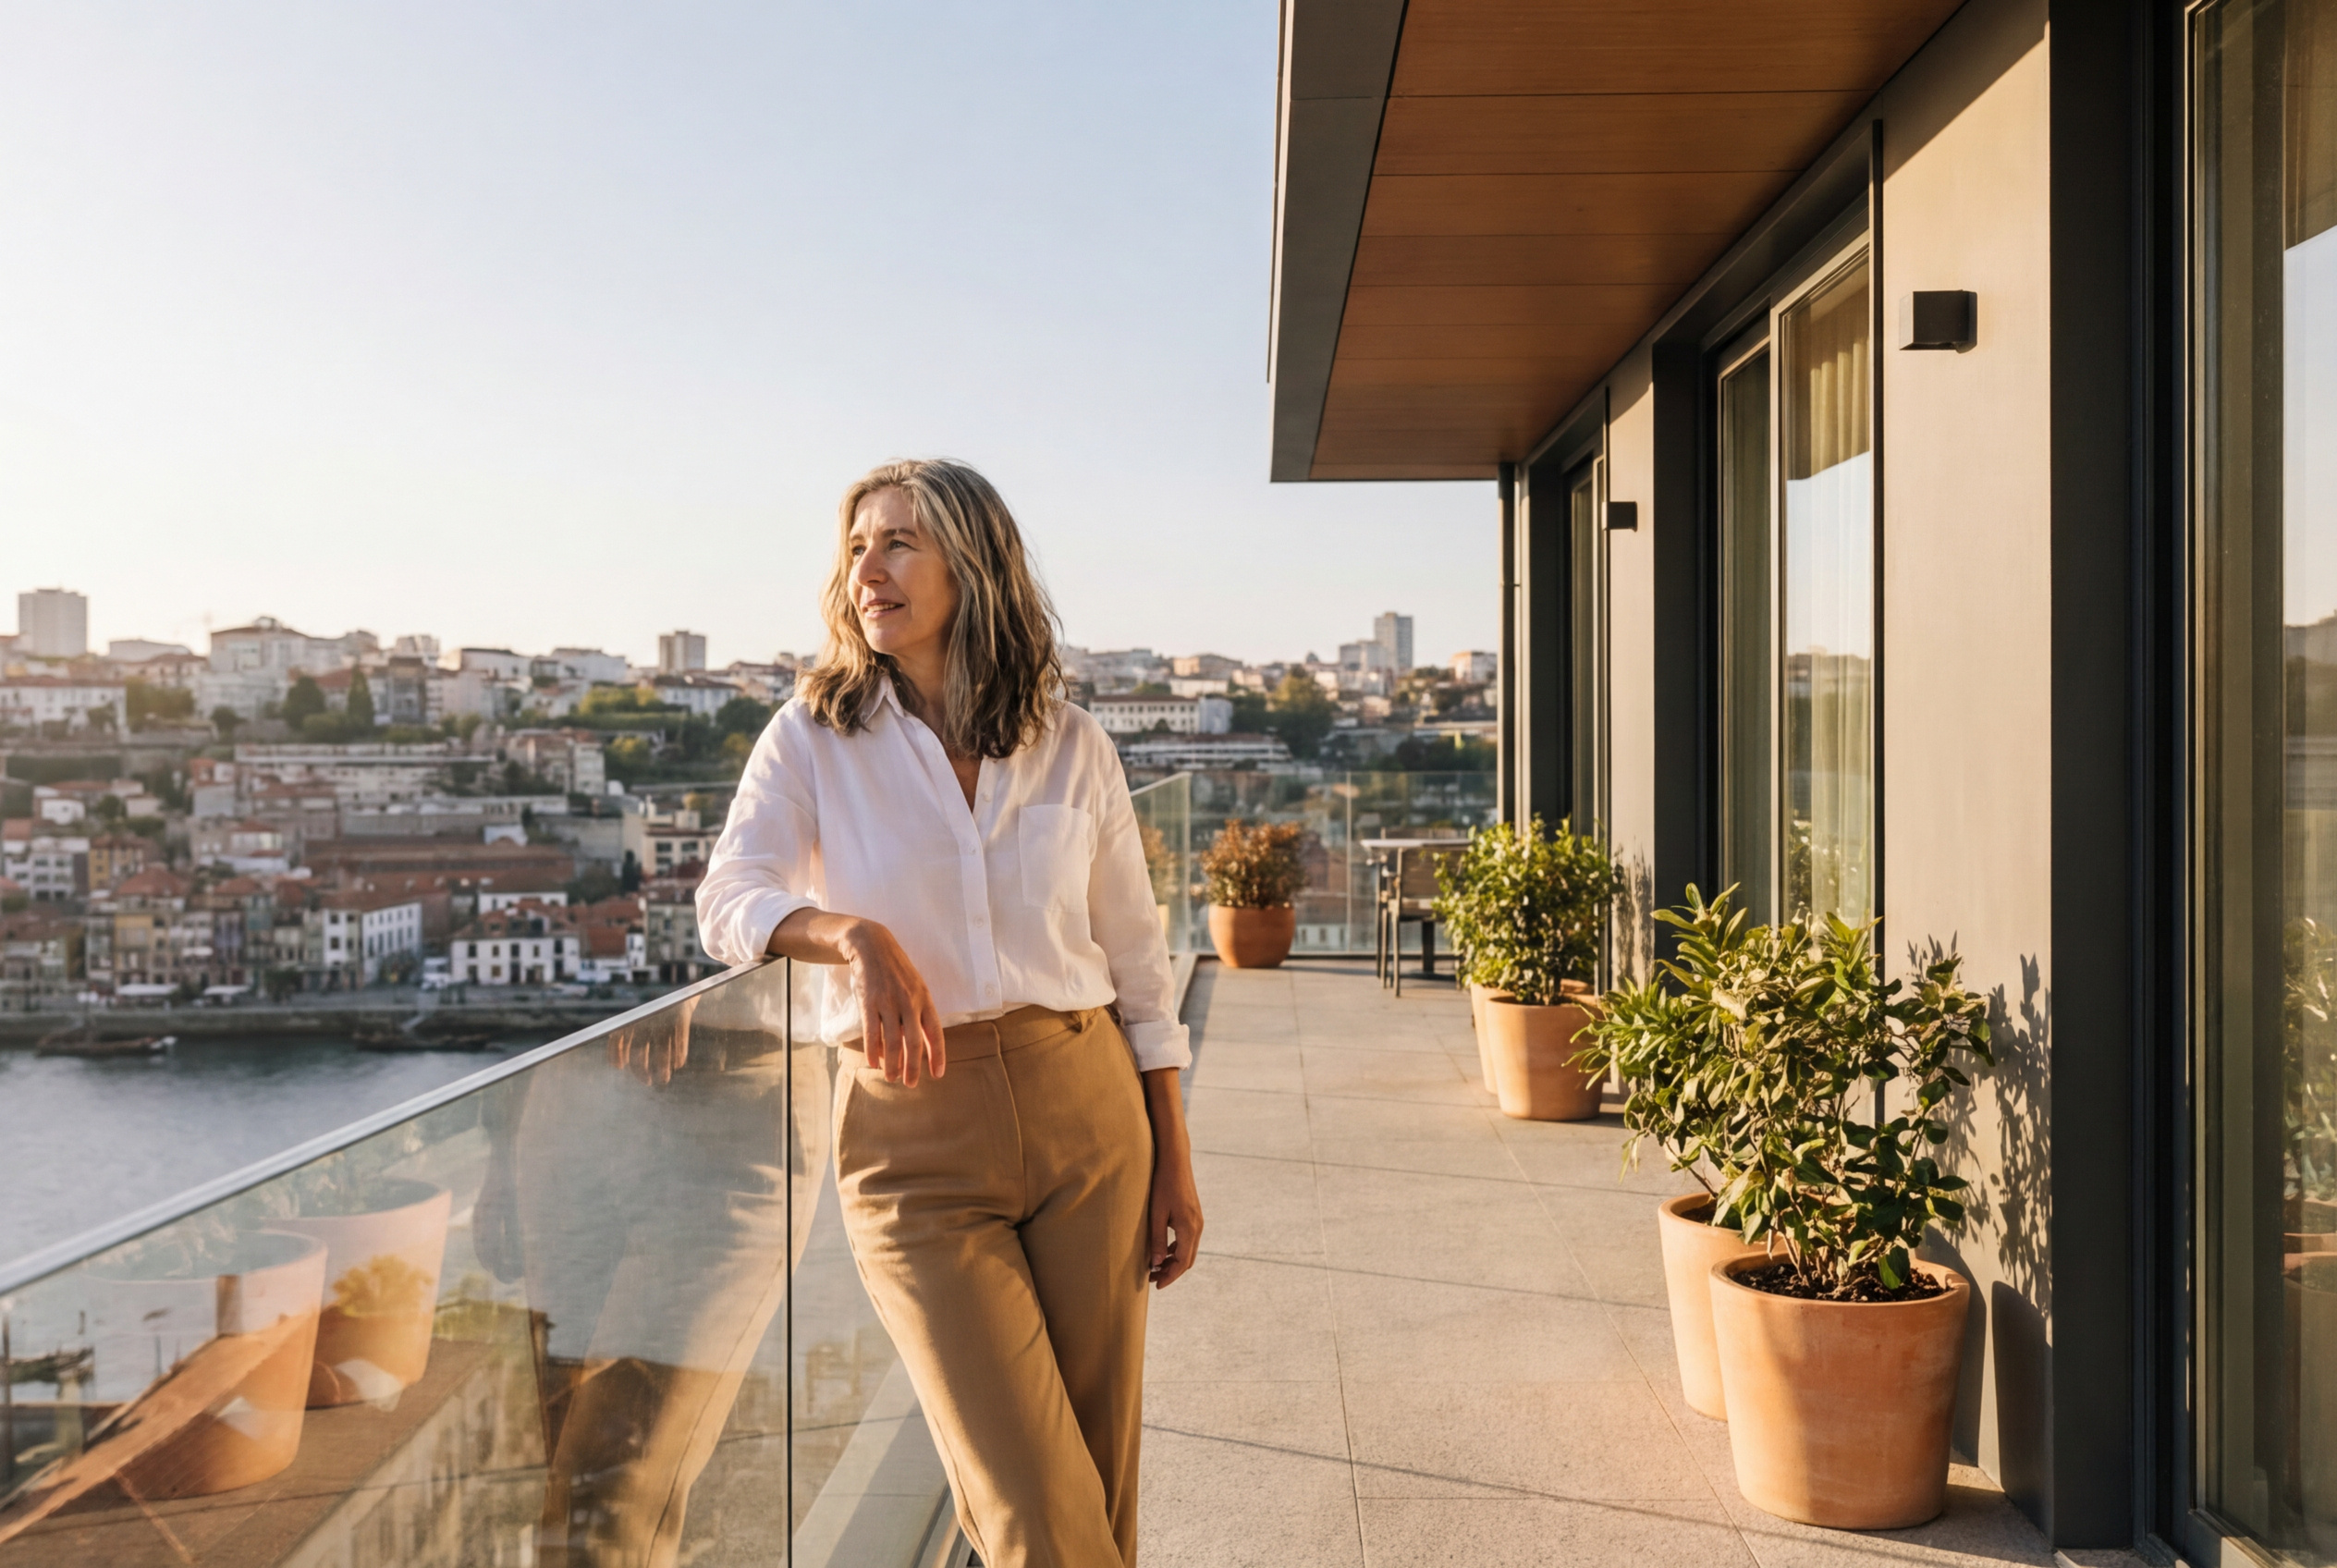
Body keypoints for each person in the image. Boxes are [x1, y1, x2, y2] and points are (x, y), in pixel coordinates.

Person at [696, 458, 1204, 1566]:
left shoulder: (1072, 744)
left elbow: (1136, 963)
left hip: (1087, 1114)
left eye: (897, 543)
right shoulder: (810, 737)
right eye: (856, 547)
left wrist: (1174, 1156)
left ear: (970, 565)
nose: (865, 569)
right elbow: (726, 899)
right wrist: (846, 935)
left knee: (1095, 1483)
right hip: (908, 1138)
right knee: (1027, 1502)